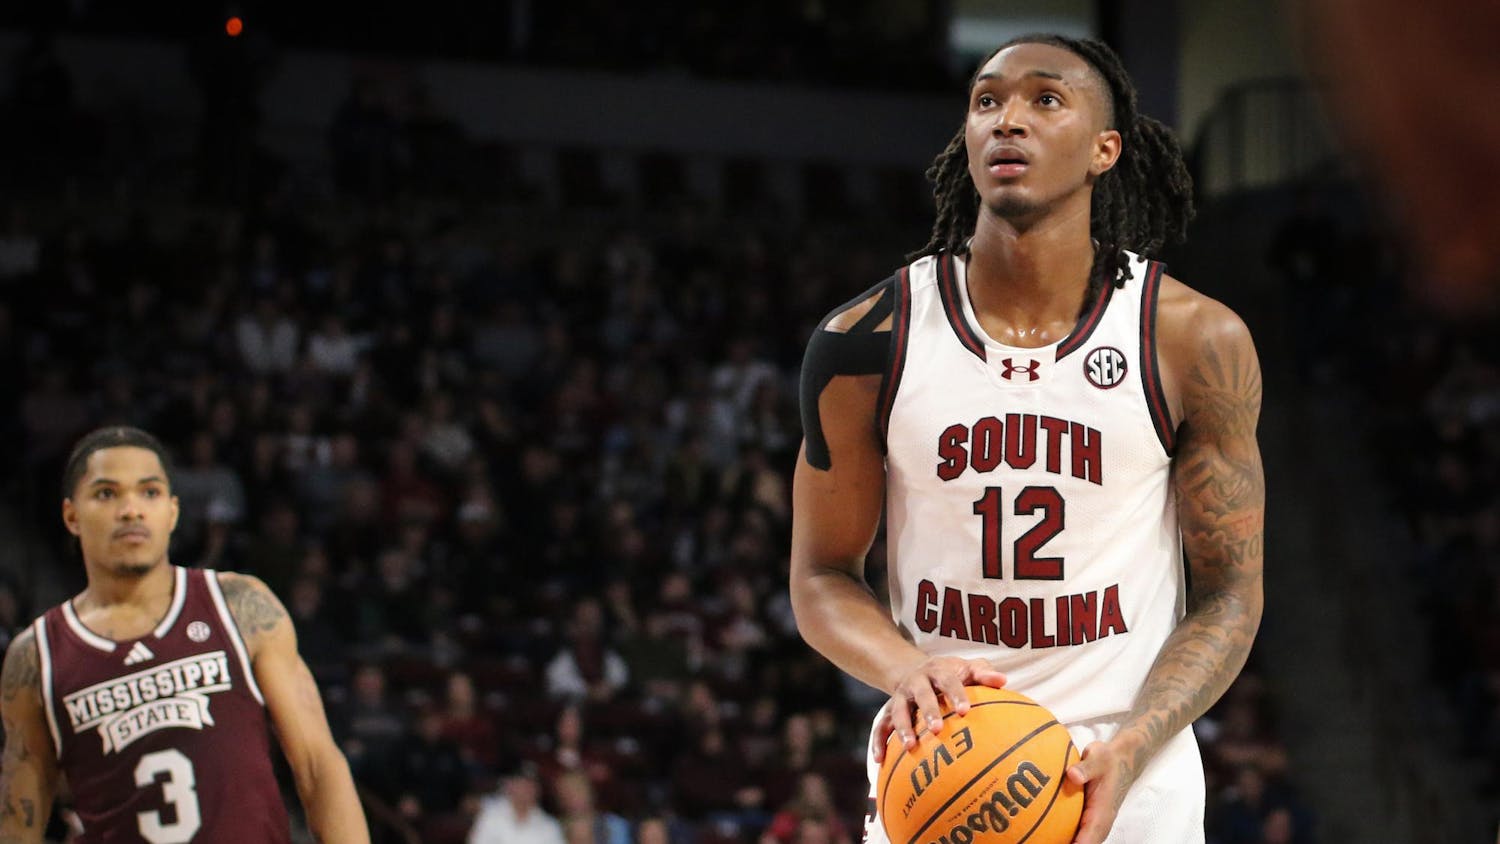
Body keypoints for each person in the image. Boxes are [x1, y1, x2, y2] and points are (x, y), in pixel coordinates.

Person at [789, 34, 1264, 844]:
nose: (1008, 119)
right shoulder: (866, 341)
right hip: (944, 758)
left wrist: (1138, 741)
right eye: (987, 101)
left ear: (1105, 149)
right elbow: (822, 575)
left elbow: (1228, 594)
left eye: (1045, 99)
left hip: (1128, 768)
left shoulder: (1191, 339)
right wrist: (906, 668)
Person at [0, 426, 370, 842]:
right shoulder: (36, 657)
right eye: (107, 493)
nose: (131, 510)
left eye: (150, 492)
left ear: (173, 512)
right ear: (71, 516)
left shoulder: (238, 605)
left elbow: (318, 766)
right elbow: (18, 825)